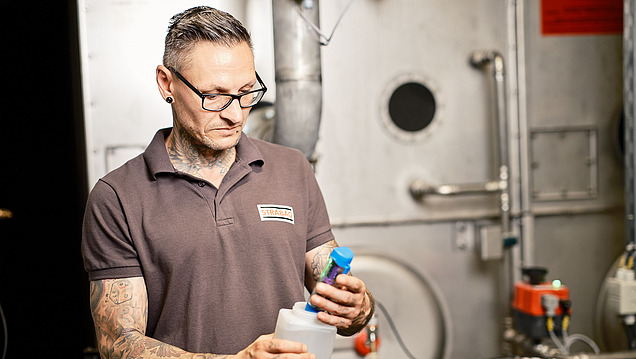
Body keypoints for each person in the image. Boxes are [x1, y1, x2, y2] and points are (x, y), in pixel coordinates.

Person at [81, 5, 375, 359]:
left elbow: (335, 295)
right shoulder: (117, 198)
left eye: (246, 92)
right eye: (214, 95)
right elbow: (118, 344)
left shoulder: (291, 168)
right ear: (166, 83)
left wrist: (359, 308)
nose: (235, 114)